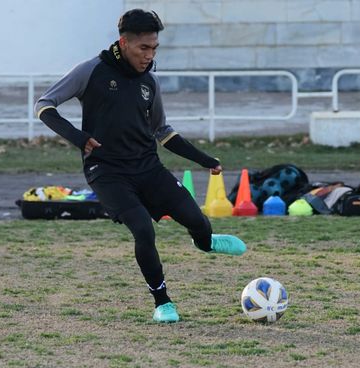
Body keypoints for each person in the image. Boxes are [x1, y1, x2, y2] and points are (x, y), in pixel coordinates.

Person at [35, 9, 246, 323]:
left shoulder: (150, 81)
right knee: (144, 232)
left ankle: (206, 243)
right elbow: (44, 105)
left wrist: (204, 160)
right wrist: (79, 137)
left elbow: (162, 131)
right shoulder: (90, 71)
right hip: (107, 173)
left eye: (154, 48)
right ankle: (163, 303)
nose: (149, 55)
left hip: (148, 168)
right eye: (143, 48)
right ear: (124, 42)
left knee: (198, 222)